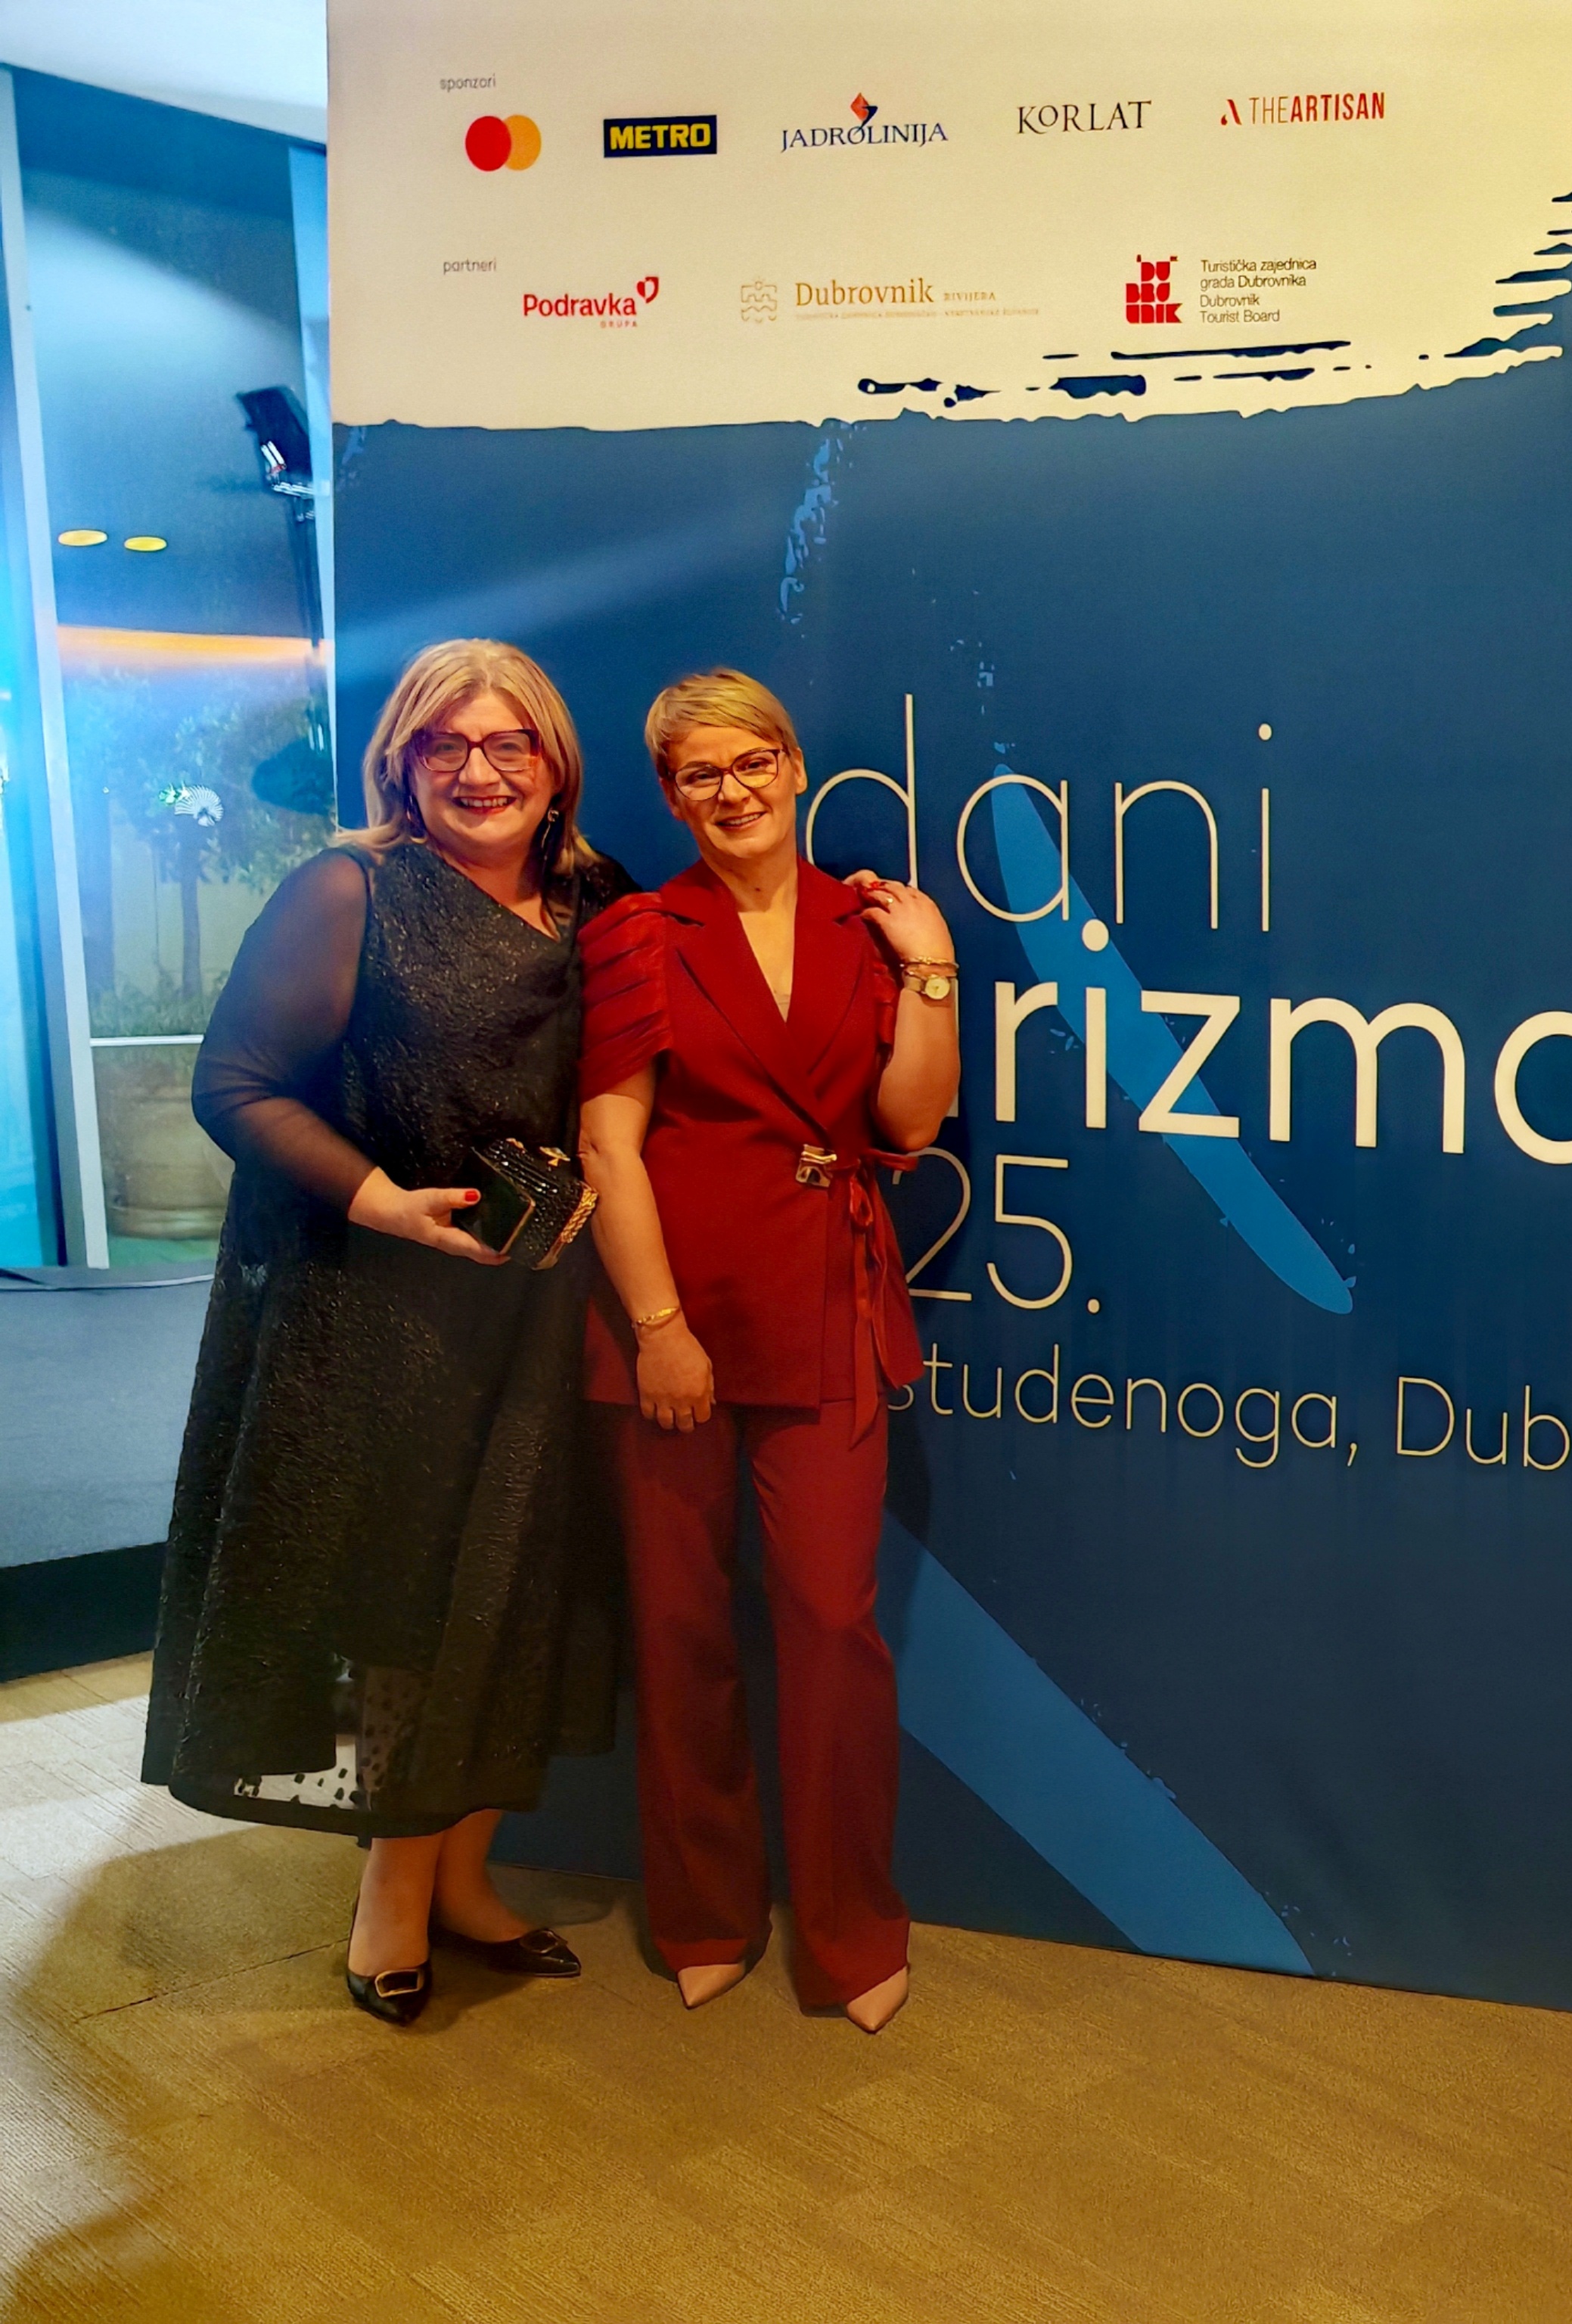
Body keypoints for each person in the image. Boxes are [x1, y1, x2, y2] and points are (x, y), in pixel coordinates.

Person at [144, 638, 632, 2025]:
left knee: (515, 1597)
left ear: (553, 764)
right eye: (445, 745)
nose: (479, 770)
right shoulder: (348, 890)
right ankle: (391, 1898)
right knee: (404, 1606)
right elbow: (234, 1084)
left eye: (508, 743)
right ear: (401, 765)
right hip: (379, 1321)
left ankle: (466, 1877)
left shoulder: (597, 898)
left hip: (536, 1318)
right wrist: (381, 1201)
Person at [576, 669, 957, 2033]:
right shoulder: (638, 932)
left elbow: (910, 1124)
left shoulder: (870, 926)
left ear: (794, 766)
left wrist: (933, 969)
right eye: (700, 774)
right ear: (670, 794)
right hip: (672, 1323)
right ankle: (703, 1911)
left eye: (751, 763)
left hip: (829, 1307)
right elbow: (608, 1144)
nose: (731, 791)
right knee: (681, 1627)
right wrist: (660, 1331)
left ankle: (851, 1929)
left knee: (831, 1626)